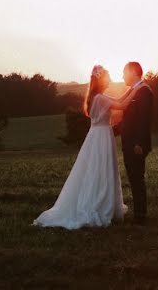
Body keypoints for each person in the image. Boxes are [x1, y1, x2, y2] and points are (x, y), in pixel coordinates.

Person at [33, 65, 137, 229]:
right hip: (102, 136)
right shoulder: (101, 99)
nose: (110, 79)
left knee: (95, 169)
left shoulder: (96, 98)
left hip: (95, 136)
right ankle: (100, 204)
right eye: (108, 77)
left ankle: (100, 201)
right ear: (101, 79)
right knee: (102, 169)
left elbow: (117, 101)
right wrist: (136, 90)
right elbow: (122, 106)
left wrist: (131, 89)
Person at [117, 61, 154, 224]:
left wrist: (139, 143)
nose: (123, 76)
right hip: (129, 143)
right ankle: (139, 213)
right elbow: (128, 120)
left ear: (133, 72)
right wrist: (107, 130)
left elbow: (144, 120)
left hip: (136, 145)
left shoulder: (144, 91)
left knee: (137, 178)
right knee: (133, 177)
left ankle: (140, 216)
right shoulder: (133, 91)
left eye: (124, 72)